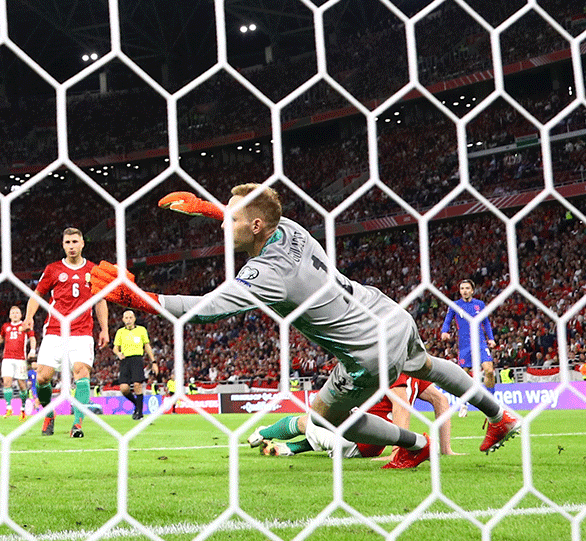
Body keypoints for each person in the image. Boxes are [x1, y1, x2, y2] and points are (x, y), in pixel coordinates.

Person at [91, 186, 521, 467]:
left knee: (324, 420)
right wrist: (212, 210)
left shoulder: (268, 274)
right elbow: (252, 217)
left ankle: (415, 446)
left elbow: (205, 309)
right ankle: (499, 415)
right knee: (426, 365)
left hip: (365, 348)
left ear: (256, 227)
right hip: (385, 310)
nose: (226, 225)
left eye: (232, 221)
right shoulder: (289, 229)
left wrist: (138, 297)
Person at [250, 375, 459, 465]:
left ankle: (262, 432)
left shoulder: (394, 369)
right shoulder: (416, 371)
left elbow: (400, 406)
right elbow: (440, 400)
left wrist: (398, 453)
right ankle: (288, 449)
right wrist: (446, 449)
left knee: (310, 421)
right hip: (369, 447)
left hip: (355, 439)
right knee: (326, 432)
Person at [23, 227, 109, 438]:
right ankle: (48, 413)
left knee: (81, 371)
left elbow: (100, 301)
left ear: (82, 244)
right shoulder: (52, 269)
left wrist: (105, 328)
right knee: (43, 378)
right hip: (55, 330)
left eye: (75, 242)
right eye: (68, 242)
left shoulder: (93, 270)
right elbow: (37, 294)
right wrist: (29, 316)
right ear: (63, 245)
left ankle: (77, 425)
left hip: (82, 331)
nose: (71, 246)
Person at [441, 279, 497, 416]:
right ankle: (464, 403)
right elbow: (447, 320)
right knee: (463, 376)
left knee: (489, 371)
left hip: (480, 343)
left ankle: (491, 403)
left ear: (472, 290)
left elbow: (486, 323)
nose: (464, 291)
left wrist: (491, 338)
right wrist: (444, 331)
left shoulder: (480, 304)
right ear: (460, 291)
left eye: (467, 288)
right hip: (465, 346)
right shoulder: (455, 305)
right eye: (462, 288)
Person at [0, 305, 36, 419]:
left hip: (20, 359)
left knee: (22, 385)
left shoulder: (25, 325)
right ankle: (8, 408)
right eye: (13, 313)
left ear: (21, 315)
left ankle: (23, 409)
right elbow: (1, 336)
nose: (15, 314)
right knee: (6, 382)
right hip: (7, 358)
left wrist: (32, 350)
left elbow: (32, 338)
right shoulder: (5, 326)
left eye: (17, 313)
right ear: (10, 315)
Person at [112, 309, 157, 420]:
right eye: (126, 318)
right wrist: (118, 353)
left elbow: (147, 346)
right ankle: (137, 404)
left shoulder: (141, 330)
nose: (129, 320)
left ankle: (139, 413)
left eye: (130, 317)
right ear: (123, 320)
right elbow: (115, 348)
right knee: (124, 388)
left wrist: (154, 361)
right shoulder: (120, 332)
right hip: (125, 360)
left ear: (134, 319)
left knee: (137, 385)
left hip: (137, 359)